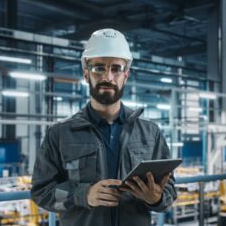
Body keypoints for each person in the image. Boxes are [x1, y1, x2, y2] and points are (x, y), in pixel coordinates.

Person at [31, 28, 177, 226]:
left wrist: (156, 198)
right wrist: (84, 194)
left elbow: (169, 192)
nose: (108, 77)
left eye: (116, 69)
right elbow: (42, 192)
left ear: (126, 74)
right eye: (99, 68)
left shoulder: (150, 133)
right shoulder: (61, 134)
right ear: (86, 73)